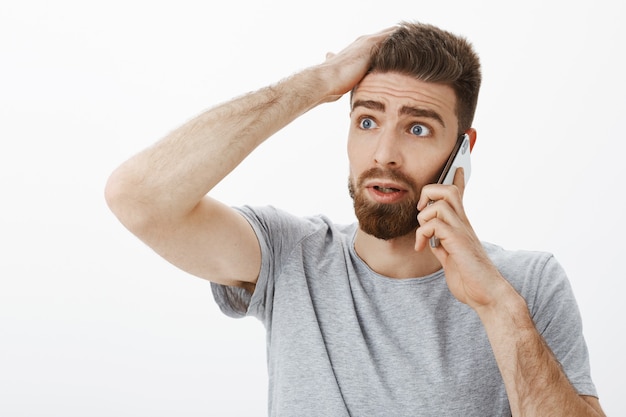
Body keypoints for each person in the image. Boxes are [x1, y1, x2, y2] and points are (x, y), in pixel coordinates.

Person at [105, 22, 605, 416]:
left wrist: (497, 305)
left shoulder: (527, 285)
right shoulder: (287, 257)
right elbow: (137, 197)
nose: (384, 153)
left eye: (417, 128)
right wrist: (316, 83)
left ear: (461, 152)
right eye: (367, 121)